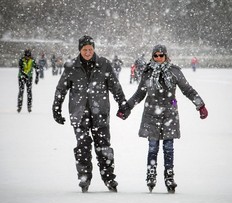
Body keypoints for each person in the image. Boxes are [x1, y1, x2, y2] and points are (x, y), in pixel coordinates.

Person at [117, 44, 208, 193]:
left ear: (166, 56)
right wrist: (126, 108)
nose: (159, 58)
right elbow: (140, 94)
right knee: (153, 147)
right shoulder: (147, 72)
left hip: (169, 114)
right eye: (156, 55)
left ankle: (169, 176)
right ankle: (151, 174)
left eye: (161, 55)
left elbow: (188, 90)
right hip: (151, 113)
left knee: (168, 147)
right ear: (152, 56)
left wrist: (200, 105)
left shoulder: (174, 71)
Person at [52, 35, 128, 193]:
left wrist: (122, 103)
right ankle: (84, 178)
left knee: (104, 147)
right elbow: (61, 88)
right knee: (83, 147)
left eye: (90, 49)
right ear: (80, 50)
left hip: (100, 113)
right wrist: (56, 108)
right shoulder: (71, 66)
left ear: (94, 49)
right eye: (85, 49)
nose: (88, 52)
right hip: (79, 114)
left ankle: (109, 178)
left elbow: (115, 86)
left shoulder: (104, 64)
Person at [17, 49, 39, 113]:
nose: (27, 57)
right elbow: (21, 69)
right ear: (24, 55)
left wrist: (37, 77)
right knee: (21, 91)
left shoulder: (32, 60)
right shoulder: (21, 60)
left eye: (28, 56)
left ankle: (29, 107)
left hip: (29, 78)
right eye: (26, 56)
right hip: (21, 77)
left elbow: (37, 68)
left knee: (29, 92)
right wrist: (24, 75)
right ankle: (19, 106)